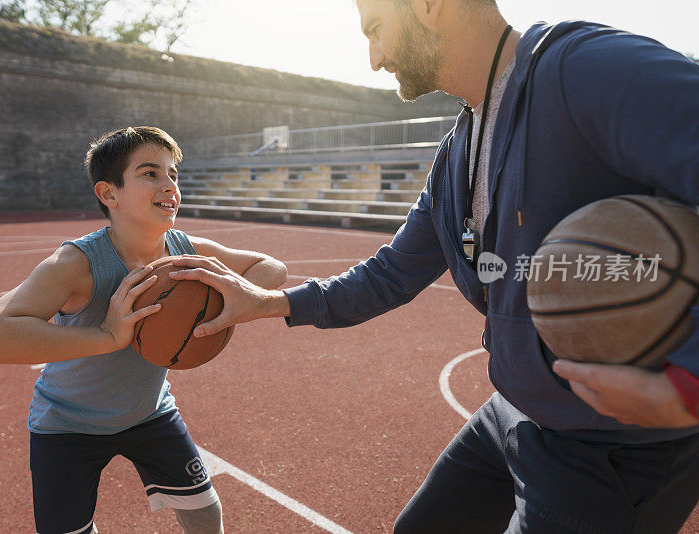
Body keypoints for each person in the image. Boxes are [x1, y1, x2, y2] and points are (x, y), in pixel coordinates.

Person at [167, 0, 699, 532]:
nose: (373, 59)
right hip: (515, 410)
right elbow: (392, 272)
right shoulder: (459, 150)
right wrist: (270, 303)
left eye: (376, 30)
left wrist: (688, 383)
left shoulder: (583, 68)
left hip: (614, 445)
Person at [0, 126, 287, 534]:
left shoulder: (185, 250)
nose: (169, 185)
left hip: (149, 413)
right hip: (67, 424)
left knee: (206, 514)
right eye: (150, 173)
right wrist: (106, 337)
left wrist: (233, 293)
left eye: (173, 174)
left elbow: (270, 267)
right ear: (108, 194)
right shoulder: (76, 263)